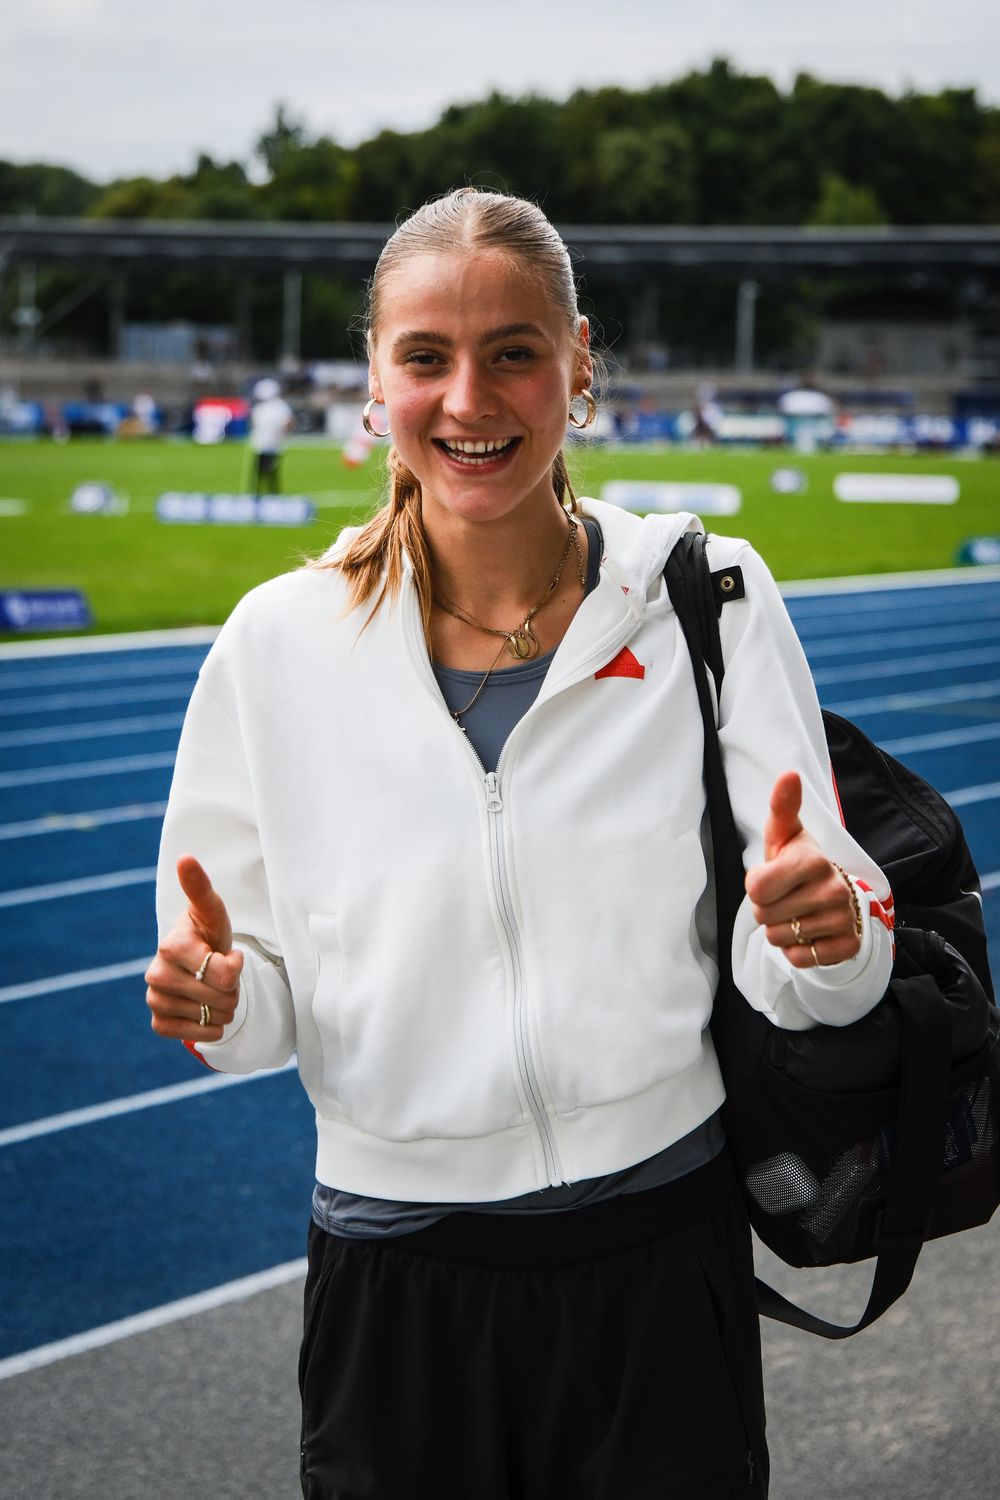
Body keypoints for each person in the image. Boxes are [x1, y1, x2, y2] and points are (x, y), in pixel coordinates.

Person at [146, 188, 895, 1500]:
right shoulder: (274, 648)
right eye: (425, 357)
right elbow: (249, 1015)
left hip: (663, 1250)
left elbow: (825, 964)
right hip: (395, 1276)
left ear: (578, 363)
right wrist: (222, 1003)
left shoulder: (708, 598)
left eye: (512, 352)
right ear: (374, 383)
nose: (467, 399)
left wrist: (824, 939)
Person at [247, 376, 294, 495]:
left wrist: (281, 434)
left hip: (274, 445)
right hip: (260, 444)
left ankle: (273, 493)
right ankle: (256, 493)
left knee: (272, 472)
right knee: (258, 472)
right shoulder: (260, 407)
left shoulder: (280, 407)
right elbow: (254, 423)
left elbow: (288, 423)